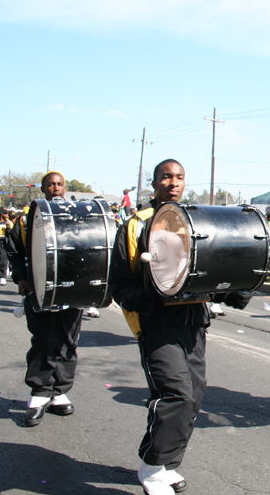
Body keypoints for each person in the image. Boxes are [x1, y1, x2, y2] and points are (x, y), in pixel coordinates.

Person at [110, 159, 250, 494]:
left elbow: (210, 272)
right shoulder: (135, 225)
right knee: (176, 393)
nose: (173, 182)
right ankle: (151, 465)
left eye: (179, 177)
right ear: (154, 181)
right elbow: (119, 284)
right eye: (166, 177)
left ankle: (168, 463)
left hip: (194, 320)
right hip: (157, 325)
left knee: (195, 395)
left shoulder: (196, 220)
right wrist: (144, 301)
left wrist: (233, 292)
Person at [5, 171, 86, 426]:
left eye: (60, 184)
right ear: (43, 188)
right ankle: (40, 392)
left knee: (68, 340)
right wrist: (21, 278)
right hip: (39, 288)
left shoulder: (77, 216)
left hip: (71, 289)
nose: (56, 188)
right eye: (50, 184)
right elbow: (15, 252)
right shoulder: (26, 219)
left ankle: (60, 390)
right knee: (43, 338)